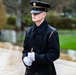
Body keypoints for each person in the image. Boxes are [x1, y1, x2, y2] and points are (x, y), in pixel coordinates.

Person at [22, 1, 60, 75]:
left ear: (44, 14)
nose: (34, 15)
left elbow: (55, 54)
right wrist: (24, 58)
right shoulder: (29, 31)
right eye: (33, 13)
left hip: (45, 71)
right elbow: (25, 50)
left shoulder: (51, 32)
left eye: (37, 13)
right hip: (30, 71)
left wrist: (36, 57)